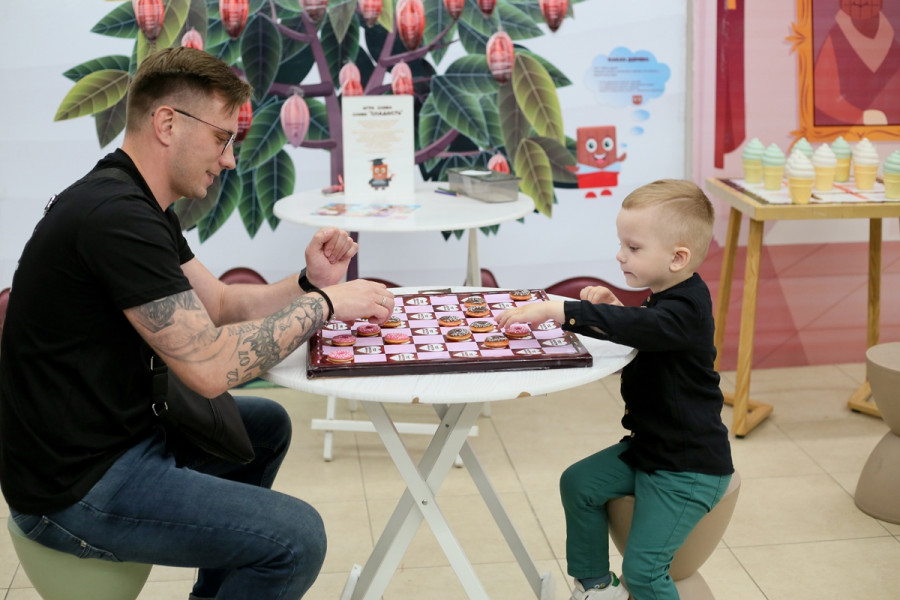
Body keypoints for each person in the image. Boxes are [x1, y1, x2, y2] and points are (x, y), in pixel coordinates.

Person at [0, 46, 395, 599]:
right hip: (74, 486)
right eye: (221, 138)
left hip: (115, 436)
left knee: (264, 428)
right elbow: (208, 367)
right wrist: (325, 306)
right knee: (297, 538)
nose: (229, 159)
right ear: (167, 124)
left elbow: (223, 304)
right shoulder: (115, 218)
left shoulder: (136, 203)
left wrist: (311, 283)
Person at [497, 179, 733, 600]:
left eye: (634, 247)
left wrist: (561, 309)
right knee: (579, 483)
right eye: (622, 244)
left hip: (687, 467)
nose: (620, 255)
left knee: (643, 575)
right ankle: (597, 588)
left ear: (678, 258)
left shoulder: (688, 307)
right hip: (651, 448)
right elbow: (646, 332)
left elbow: (652, 328)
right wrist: (614, 310)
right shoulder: (667, 297)